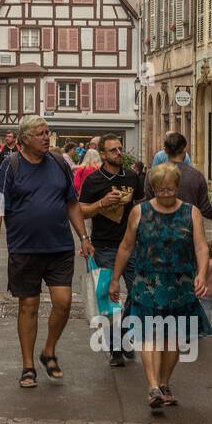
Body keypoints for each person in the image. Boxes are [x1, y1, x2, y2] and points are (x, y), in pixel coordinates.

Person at [0, 116, 94, 388]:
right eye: (41, 134)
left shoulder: (59, 164)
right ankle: (28, 365)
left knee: (64, 301)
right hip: (25, 248)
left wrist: (84, 236)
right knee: (28, 306)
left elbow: (72, 203)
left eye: (48, 133)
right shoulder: (11, 166)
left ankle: (49, 350)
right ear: (24, 139)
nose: (47, 138)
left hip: (59, 247)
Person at [110, 163, 211, 410]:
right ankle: (153, 387)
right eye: (161, 190)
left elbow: (200, 247)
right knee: (149, 334)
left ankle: (164, 384)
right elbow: (126, 246)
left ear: (177, 187)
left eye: (171, 189)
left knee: (173, 339)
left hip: (181, 284)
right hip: (147, 283)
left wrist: (202, 274)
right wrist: (115, 278)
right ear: (153, 188)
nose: (166, 194)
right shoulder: (139, 211)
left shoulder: (191, 212)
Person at [78, 134, 146, 367]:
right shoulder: (94, 181)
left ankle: (126, 331)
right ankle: (116, 348)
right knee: (108, 298)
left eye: (120, 149)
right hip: (104, 245)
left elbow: (140, 205)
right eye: (113, 150)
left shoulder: (133, 177)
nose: (119, 153)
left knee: (139, 292)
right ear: (103, 154)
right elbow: (80, 211)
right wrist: (102, 204)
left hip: (132, 244)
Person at [144, 132, 212, 228]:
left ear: (166, 151)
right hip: (187, 230)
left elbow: (149, 202)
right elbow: (205, 208)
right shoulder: (196, 176)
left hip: (159, 228)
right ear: (184, 150)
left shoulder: (152, 174)